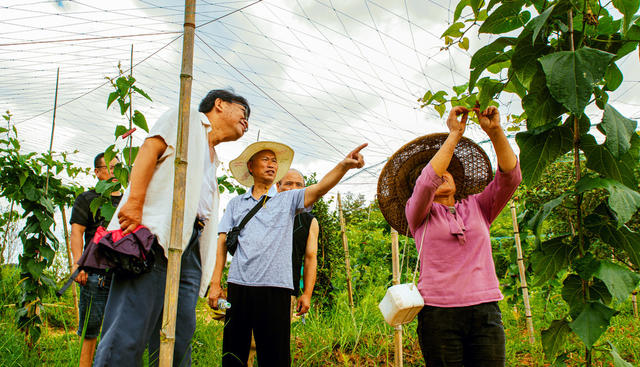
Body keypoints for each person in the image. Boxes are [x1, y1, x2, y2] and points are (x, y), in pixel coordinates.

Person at [93, 89, 250, 367]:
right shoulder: (188, 119)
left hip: (191, 245)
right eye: (243, 112)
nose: (246, 121)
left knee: (177, 334)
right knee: (129, 327)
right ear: (219, 104)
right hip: (156, 235)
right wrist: (134, 202)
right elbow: (150, 148)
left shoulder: (212, 156)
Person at [209, 141, 366, 366]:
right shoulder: (236, 204)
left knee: (275, 357)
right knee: (233, 354)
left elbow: (320, 188)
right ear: (251, 167)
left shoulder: (288, 200)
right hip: (238, 286)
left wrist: (344, 165)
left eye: (274, 161)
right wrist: (216, 283)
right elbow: (222, 242)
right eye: (265, 159)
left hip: (276, 289)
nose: (272, 164)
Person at [404, 106, 521, 366]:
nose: (441, 174)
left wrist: (495, 132)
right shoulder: (418, 213)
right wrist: (455, 134)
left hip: (485, 311)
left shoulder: (479, 206)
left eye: (447, 171)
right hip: (438, 315)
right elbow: (426, 182)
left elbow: (510, 177)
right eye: (436, 173)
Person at [69, 152, 122, 367]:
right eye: (109, 168)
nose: (115, 172)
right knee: (90, 330)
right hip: (94, 272)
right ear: (98, 172)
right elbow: (77, 232)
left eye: (118, 168)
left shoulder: (128, 200)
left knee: (118, 330)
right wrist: (77, 264)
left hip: (121, 273)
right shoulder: (87, 199)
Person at [277, 168, 319, 317]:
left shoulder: (309, 221)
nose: (293, 188)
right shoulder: (266, 211)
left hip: (287, 290)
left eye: (298, 185)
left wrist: (307, 294)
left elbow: (310, 258)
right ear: (278, 187)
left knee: (277, 339)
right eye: (288, 183)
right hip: (254, 287)